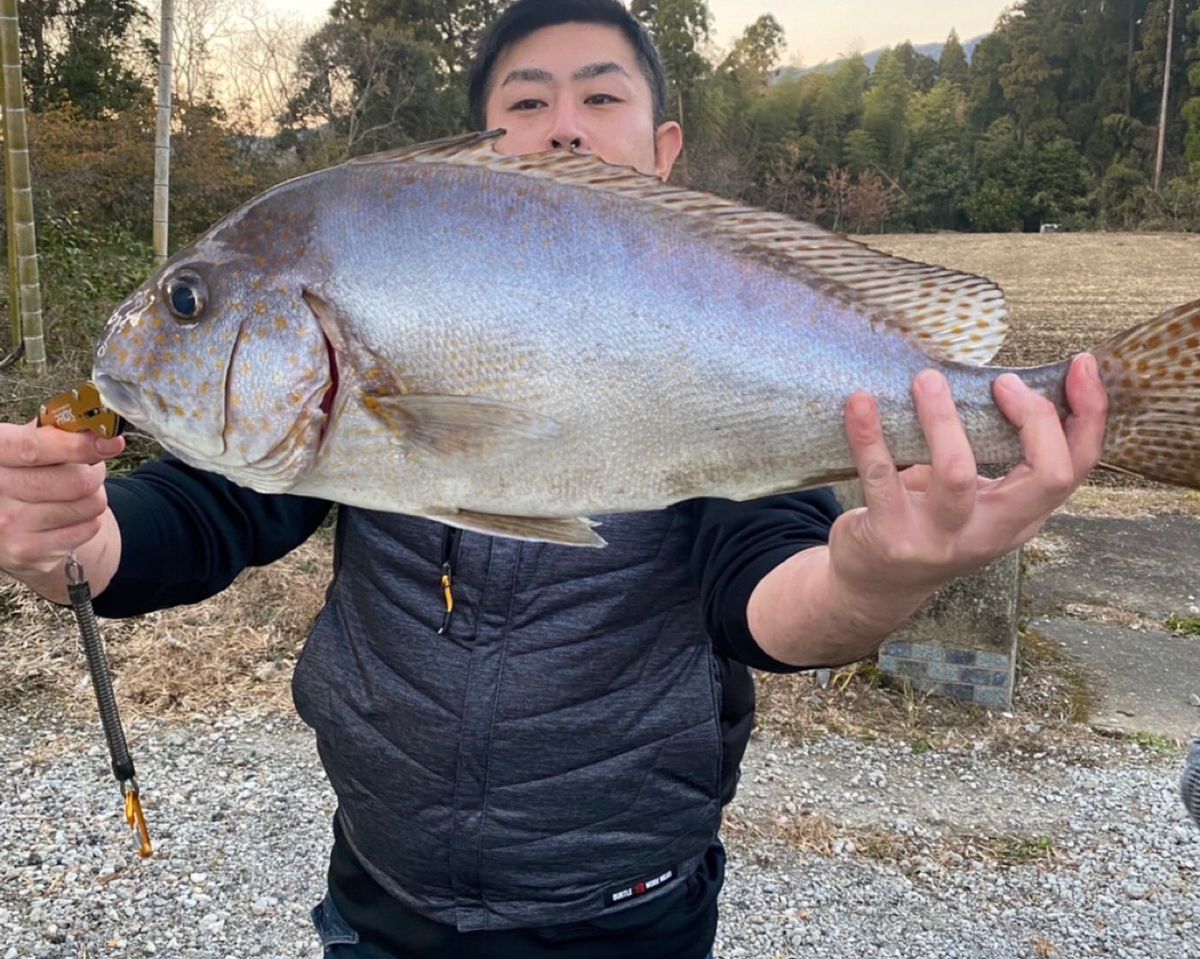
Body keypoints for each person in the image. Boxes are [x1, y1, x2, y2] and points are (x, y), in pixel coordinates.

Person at [0, 1, 1109, 957]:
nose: (564, 123)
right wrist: (77, 541)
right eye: (526, 102)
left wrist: (875, 578)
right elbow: (210, 508)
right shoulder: (347, 366)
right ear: (477, 146)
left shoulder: (712, 307)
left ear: (665, 148)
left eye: (600, 97)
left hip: (629, 905)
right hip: (383, 893)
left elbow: (767, 587)